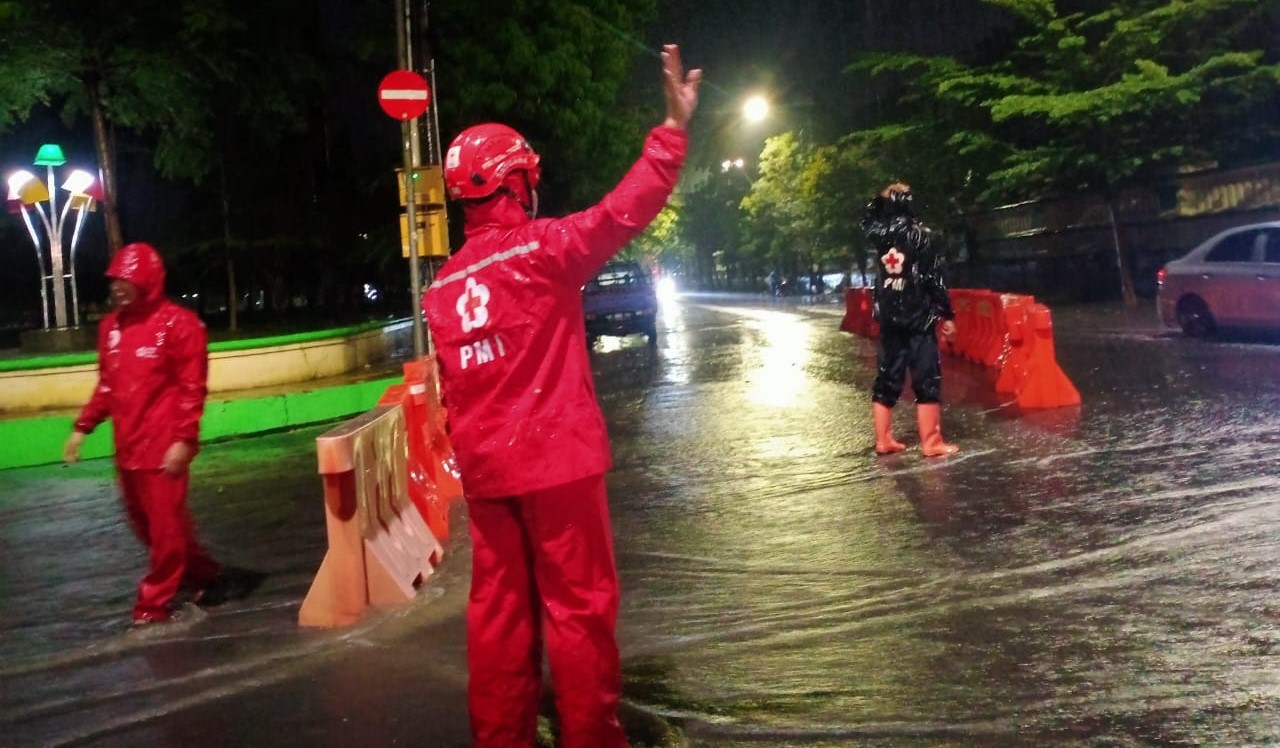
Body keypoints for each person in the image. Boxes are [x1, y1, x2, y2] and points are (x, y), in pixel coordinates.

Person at [421, 45, 700, 748]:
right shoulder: (544, 251)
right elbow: (623, 211)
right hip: (560, 464)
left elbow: (454, 390)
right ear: (517, 181)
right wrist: (672, 129)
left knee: (499, 615)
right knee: (579, 611)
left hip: (488, 474)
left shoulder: (443, 290)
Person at [63, 242, 262, 627]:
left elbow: (192, 387)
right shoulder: (111, 329)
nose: (119, 287)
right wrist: (82, 427)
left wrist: (183, 439)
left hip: (163, 447)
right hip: (128, 448)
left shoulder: (180, 326)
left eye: (128, 279)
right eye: (115, 280)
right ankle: (204, 575)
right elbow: (108, 385)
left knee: (165, 530)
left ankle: (152, 605)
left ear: (149, 281)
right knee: (149, 527)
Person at [861, 182, 960, 457]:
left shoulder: (879, 235)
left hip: (889, 317)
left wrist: (878, 198)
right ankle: (931, 442)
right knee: (926, 378)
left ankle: (884, 439)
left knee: (887, 378)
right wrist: (946, 314)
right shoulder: (920, 236)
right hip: (918, 317)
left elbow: (866, 220)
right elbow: (933, 278)